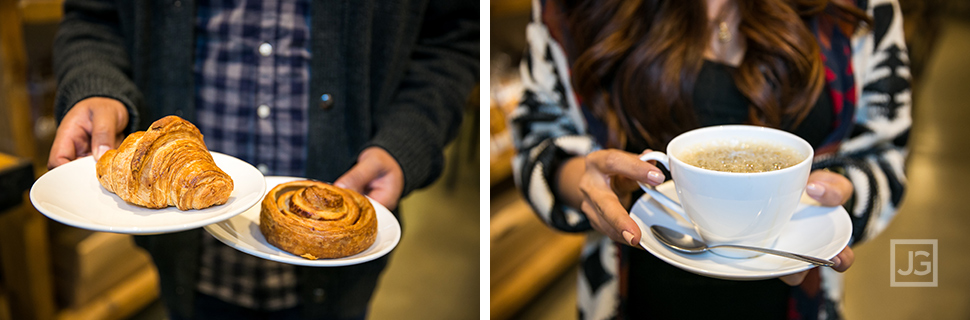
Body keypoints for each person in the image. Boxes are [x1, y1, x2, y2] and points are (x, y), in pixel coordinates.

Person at [48, 0, 477, 319]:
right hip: (184, 257)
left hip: (341, 274)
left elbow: (452, 41)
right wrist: (95, 85)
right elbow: (92, 18)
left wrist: (405, 143)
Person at [512, 0, 909, 318]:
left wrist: (837, 200)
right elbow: (538, 140)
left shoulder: (863, 8)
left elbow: (884, 156)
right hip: (629, 291)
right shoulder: (567, 9)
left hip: (799, 299)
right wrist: (590, 179)